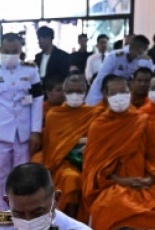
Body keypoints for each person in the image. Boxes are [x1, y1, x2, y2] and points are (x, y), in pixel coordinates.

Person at [82, 76, 155, 230]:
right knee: (113, 205)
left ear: (130, 92)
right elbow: (94, 168)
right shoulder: (99, 125)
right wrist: (122, 181)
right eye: (113, 93)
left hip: (143, 183)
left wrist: (149, 178)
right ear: (105, 95)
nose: (119, 96)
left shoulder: (142, 120)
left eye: (123, 92)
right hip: (112, 185)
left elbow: (152, 156)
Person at [0, 32, 44, 209]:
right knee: (1, 176)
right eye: (7, 51)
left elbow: (37, 100)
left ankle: (21, 210)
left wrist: (35, 131)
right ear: (0, 49)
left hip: (23, 133)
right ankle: (4, 212)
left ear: (20, 50)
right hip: (0, 132)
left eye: (14, 51)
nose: (10, 55)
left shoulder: (31, 71)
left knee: (22, 174)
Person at [34, 73, 104, 221]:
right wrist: (78, 142)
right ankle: (70, 221)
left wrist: (85, 143)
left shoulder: (94, 113)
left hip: (90, 161)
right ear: (65, 93)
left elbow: (99, 139)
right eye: (71, 91)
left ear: (86, 92)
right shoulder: (54, 114)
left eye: (79, 91)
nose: (75, 95)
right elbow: (53, 149)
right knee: (71, 178)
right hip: (62, 163)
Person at [86, 35, 154, 106]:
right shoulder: (114, 56)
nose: (144, 53)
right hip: (100, 93)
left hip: (123, 94)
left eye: (146, 50)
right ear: (138, 49)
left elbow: (150, 78)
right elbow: (101, 79)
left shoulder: (145, 60)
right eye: (143, 50)